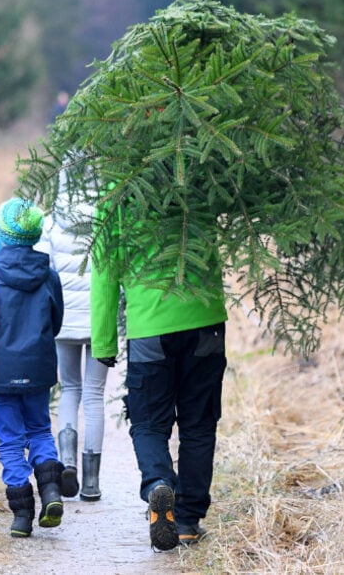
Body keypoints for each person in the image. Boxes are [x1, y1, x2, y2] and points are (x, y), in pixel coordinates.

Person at [90, 191, 228, 550]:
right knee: (199, 423)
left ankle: (157, 485)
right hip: (205, 321)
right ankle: (187, 521)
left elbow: (105, 273)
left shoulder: (119, 195)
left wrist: (104, 343)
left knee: (149, 421)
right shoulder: (199, 174)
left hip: (150, 327)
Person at [0, 198, 65, 538]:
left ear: (2, 235)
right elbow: (56, 322)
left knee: (9, 441)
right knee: (40, 431)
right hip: (38, 370)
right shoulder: (49, 277)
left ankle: (22, 515)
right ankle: (51, 492)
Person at [34, 193, 112, 502]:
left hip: (63, 321)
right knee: (94, 394)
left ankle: (67, 463)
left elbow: (44, 271)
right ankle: (91, 483)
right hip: (99, 321)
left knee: (69, 389)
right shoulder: (105, 219)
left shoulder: (51, 224)